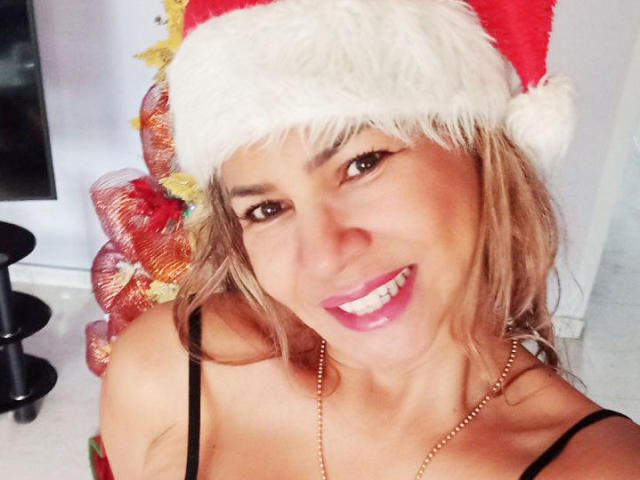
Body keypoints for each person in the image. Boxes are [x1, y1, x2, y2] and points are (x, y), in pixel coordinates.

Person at [100, 1, 640, 478]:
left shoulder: (597, 468)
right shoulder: (170, 372)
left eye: (362, 164)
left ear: (481, 152)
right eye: (267, 209)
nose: (324, 255)